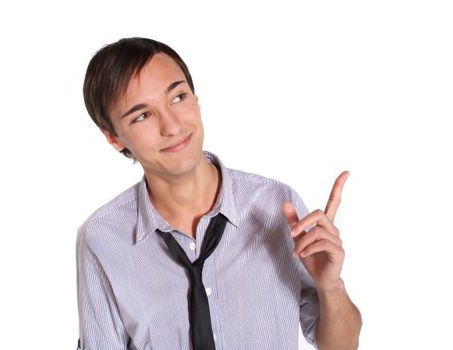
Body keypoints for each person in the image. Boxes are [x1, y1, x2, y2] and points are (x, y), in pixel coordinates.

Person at [76, 37, 362, 350]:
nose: (172, 126)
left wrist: (330, 286)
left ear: (195, 99)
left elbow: (341, 346)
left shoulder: (275, 205)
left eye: (178, 97)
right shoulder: (102, 237)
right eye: (142, 115)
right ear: (114, 138)